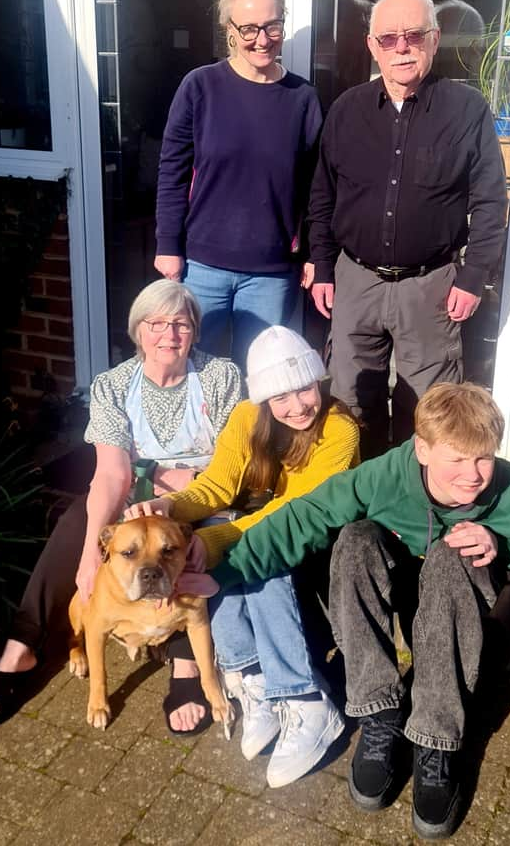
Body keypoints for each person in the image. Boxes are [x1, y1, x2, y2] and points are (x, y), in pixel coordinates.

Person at [208, 382, 510, 839]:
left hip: (463, 602)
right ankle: (380, 713)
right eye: (457, 458)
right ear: (423, 451)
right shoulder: (386, 474)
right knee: (354, 541)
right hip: (407, 593)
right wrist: (222, 572)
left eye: (483, 458)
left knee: (453, 556)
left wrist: (503, 543)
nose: (473, 474)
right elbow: (305, 516)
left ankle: (437, 741)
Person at [0, 280, 242, 727]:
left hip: (201, 497)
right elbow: (113, 474)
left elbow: (233, 464)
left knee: (187, 545)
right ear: (139, 331)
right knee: (81, 515)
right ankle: (22, 643)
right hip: (134, 495)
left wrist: (180, 484)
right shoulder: (113, 386)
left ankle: (185, 663)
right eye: (157, 324)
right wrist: (89, 560)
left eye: (181, 324)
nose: (169, 334)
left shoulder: (220, 377)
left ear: (194, 331)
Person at [128, 325, 359, 786]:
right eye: (281, 398)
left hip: (320, 542)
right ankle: (249, 677)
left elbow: (295, 513)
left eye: (305, 389)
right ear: (264, 401)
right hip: (268, 529)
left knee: (252, 550)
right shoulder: (246, 418)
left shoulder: (340, 430)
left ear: (320, 381)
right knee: (219, 530)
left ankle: (304, 699)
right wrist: (170, 507)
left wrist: (212, 544)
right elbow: (217, 487)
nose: (297, 407)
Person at [308, 0, 508, 456]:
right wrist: (321, 265)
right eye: (389, 38)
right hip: (355, 279)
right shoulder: (346, 110)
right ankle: (359, 506)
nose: (402, 47)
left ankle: (412, 511)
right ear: (372, 46)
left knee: (430, 409)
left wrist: (474, 275)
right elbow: (323, 195)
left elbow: (489, 200)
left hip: (430, 283)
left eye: (414, 36)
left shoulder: (467, 111)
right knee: (352, 403)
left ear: (434, 40)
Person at [154, 0, 322, 370]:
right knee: (195, 375)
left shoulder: (303, 98)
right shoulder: (200, 87)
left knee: (260, 383)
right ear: (229, 29)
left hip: (271, 272)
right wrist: (167, 244)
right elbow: (172, 171)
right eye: (248, 28)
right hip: (200, 267)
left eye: (272, 26)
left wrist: (315, 254)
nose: (261, 40)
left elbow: (317, 188)